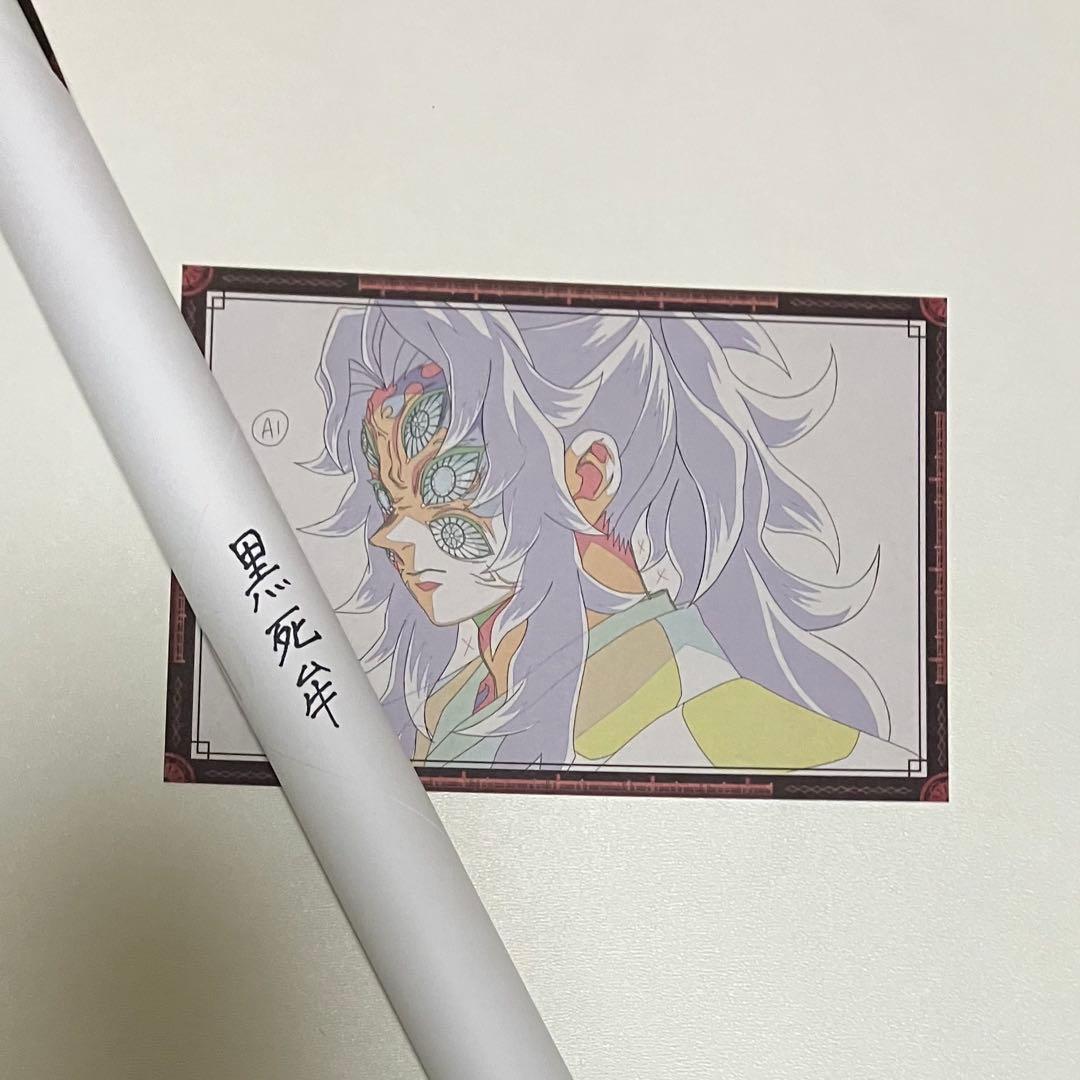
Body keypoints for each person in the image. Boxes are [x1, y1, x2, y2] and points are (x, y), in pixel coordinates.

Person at [303, 301, 910, 771]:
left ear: (588, 479)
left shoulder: (695, 719)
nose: (390, 536)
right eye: (390, 498)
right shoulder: (454, 710)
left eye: (444, 485)